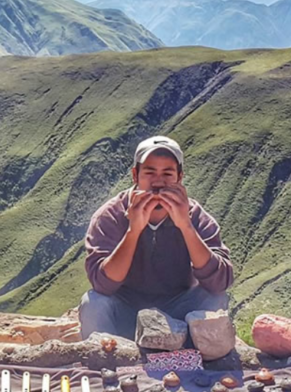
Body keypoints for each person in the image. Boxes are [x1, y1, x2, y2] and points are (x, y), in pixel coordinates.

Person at [79, 135, 234, 341]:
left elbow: (220, 282)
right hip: (126, 309)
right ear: (136, 175)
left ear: (180, 177)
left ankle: (195, 361)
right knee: (93, 303)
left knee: (215, 298)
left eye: (167, 173)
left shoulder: (196, 216)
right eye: (149, 172)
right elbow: (102, 285)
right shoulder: (111, 216)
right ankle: (105, 361)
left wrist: (186, 226)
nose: (158, 182)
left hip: (178, 309)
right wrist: (133, 231)